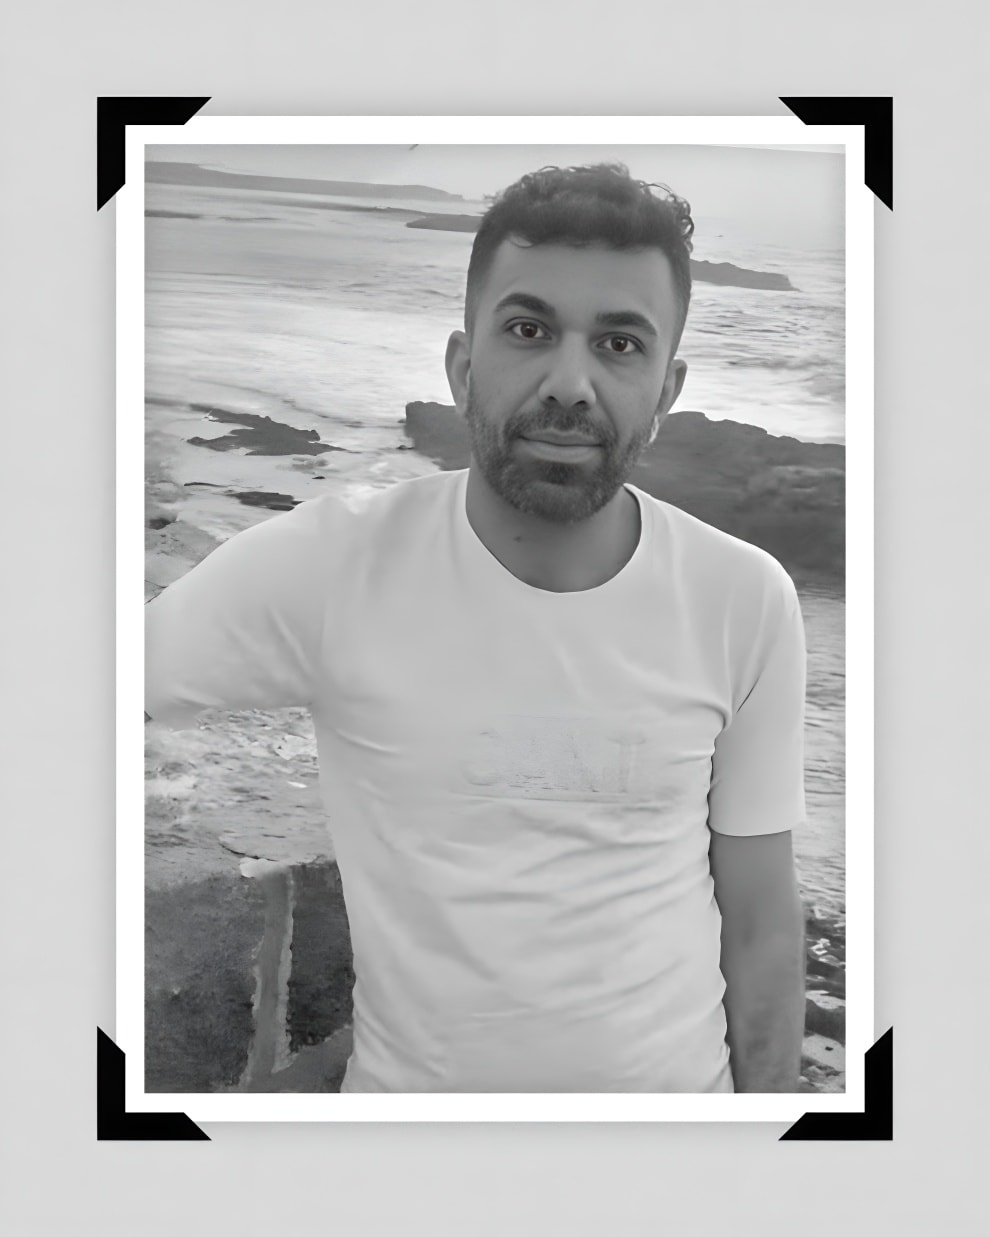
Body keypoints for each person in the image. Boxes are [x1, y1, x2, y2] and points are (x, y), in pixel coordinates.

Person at [145, 163, 807, 1094]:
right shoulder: (333, 564)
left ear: (666, 390)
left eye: (619, 344)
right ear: (462, 368)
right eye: (529, 330)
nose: (570, 383)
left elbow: (763, 925)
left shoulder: (743, 598)